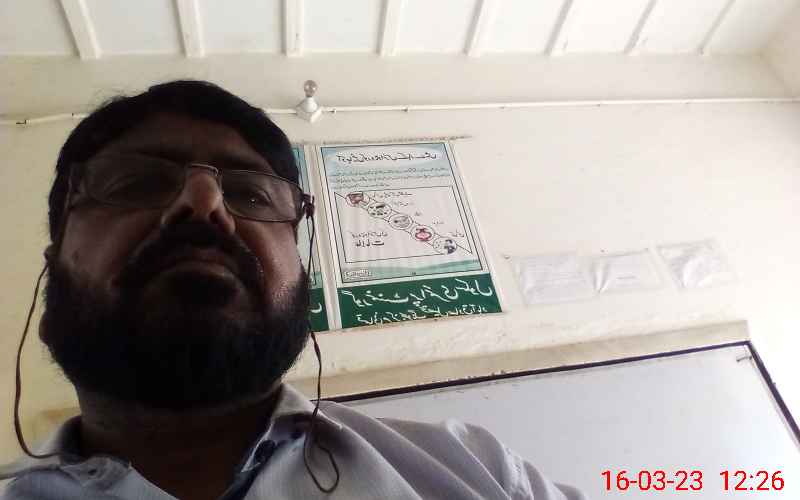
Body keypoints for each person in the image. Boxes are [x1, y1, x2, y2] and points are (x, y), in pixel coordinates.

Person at [0, 80, 586, 500]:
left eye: (252, 194)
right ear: (52, 285)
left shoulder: (479, 474)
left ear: (303, 285)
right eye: (137, 182)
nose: (203, 205)